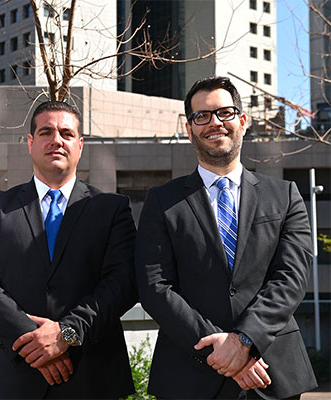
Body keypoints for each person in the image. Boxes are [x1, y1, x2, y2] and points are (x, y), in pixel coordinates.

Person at [135, 76, 317, 399]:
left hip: (271, 372)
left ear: (243, 121)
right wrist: (221, 350)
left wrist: (245, 340)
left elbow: (291, 278)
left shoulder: (285, 195)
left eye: (225, 113)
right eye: (201, 116)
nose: (214, 123)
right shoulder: (162, 202)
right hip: (189, 375)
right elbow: (154, 287)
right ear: (189, 129)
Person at [0, 101, 137, 399]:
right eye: (46, 132)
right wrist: (32, 341)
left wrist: (67, 333)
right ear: (30, 143)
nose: (56, 140)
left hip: (90, 375)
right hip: (9, 376)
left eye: (66, 133)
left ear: (80, 145)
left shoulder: (112, 209)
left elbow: (124, 282)